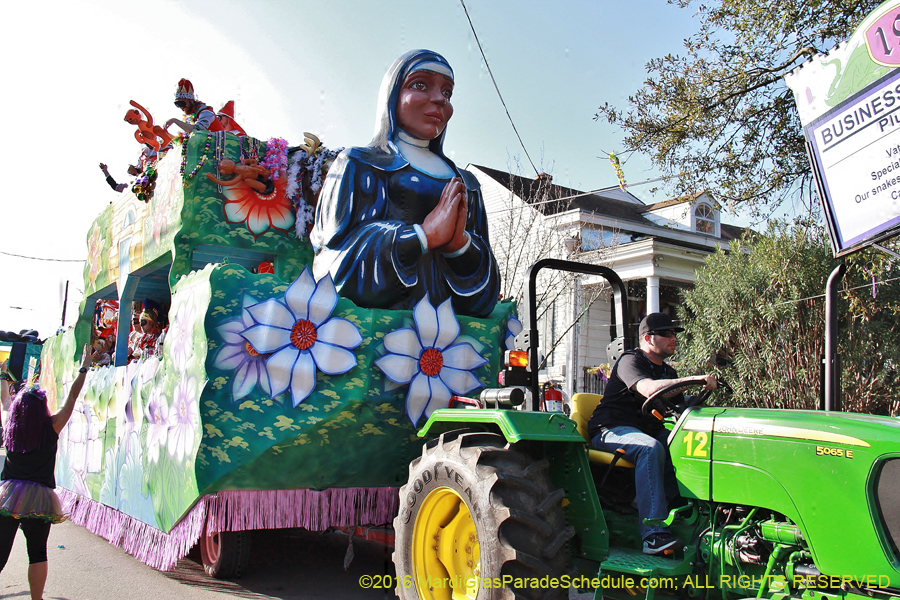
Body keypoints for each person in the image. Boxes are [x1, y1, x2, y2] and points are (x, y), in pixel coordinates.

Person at [310, 49, 500, 318]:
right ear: (392, 94)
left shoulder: (466, 184)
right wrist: (422, 236)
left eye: (447, 92)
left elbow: (485, 298)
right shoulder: (360, 164)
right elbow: (330, 265)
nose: (439, 99)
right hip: (370, 338)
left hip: (449, 345)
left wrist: (459, 246)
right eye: (420, 85)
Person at [587, 312, 716, 555]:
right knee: (650, 448)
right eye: (666, 334)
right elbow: (648, 388)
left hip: (645, 431)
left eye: (674, 334)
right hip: (611, 430)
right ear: (647, 338)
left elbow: (680, 406)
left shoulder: (668, 373)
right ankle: (653, 534)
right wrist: (694, 379)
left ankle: (687, 515)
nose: (673, 338)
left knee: (686, 444)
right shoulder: (630, 361)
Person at [0, 346, 91, 600]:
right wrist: (84, 367)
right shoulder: (51, 427)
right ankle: (36, 599)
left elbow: (6, 401)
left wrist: (3, 377)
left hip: (8, 495)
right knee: (38, 552)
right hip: (39, 496)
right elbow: (72, 397)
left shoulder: (10, 427)